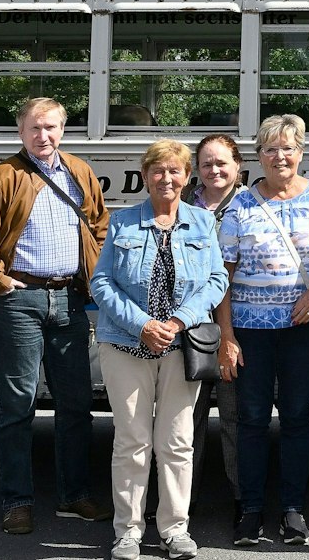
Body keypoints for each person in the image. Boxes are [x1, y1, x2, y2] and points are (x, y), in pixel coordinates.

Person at [0, 97, 111, 534]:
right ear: (20, 131)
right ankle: (17, 501)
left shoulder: (80, 172)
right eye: (34, 129)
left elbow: (98, 224)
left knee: (76, 405)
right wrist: (3, 283)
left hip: (68, 301)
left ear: (63, 129)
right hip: (19, 301)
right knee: (17, 407)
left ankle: (74, 495)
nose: (43, 136)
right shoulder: (1, 177)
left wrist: (90, 274)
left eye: (51, 128)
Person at [91, 139, 230, 560]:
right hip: (125, 343)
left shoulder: (202, 224)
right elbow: (101, 283)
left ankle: (174, 529)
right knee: (131, 441)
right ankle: (128, 532)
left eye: (175, 171)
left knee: (177, 441)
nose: (166, 178)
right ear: (145, 174)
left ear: (186, 177)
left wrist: (175, 322)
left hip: (178, 345)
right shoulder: (123, 221)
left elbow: (216, 281)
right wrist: (144, 324)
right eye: (158, 170)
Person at [218, 115, 309, 547]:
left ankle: (292, 510)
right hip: (250, 331)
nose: (280, 156)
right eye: (270, 149)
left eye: (288, 147)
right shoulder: (240, 205)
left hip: (301, 330)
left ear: (301, 152)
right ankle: (250, 510)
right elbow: (223, 277)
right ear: (259, 156)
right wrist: (227, 336)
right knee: (250, 420)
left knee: (297, 419)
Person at [189, 135, 245, 526]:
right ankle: (180, 503)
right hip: (188, 324)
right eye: (207, 163)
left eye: (222, 162)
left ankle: (243, 499)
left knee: (233, 417)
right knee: (183, 420)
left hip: (235, 325)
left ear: (238, 165)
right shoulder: (181, 204)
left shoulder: (251, 205)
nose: (215, 170)